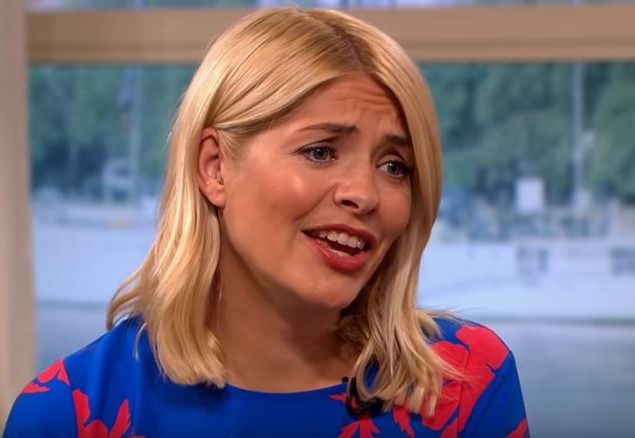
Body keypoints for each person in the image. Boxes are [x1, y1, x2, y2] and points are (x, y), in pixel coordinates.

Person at [4, 7, 528, 438]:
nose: (365, 194)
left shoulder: (467, 384)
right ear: (215, 168)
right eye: (321, 151)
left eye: (395, 167)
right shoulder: (70, 415)